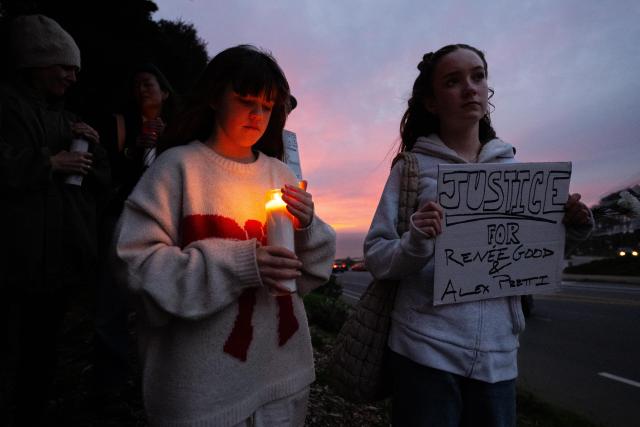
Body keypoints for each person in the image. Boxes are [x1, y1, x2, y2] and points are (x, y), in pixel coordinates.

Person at [363, 44, 593, 427]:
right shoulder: (412, 170)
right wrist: (416, 241)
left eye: (478, 76)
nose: (470, 88)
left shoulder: (514, 170)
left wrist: (572, 225)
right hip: (424, 351)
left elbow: (526, 252)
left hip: (499, 357)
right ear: (432, 102)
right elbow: (376, 256)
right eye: (453, 81)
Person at [113, 45, 336, 426]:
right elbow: (134, 267)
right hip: (199, 390)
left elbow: (311, 273)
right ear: (215, 97)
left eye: (267, 106)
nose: (257, 115)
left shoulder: (280, 175)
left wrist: (311, 225)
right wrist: (241, 264)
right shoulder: (177, 169)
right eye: (246, 100)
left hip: (281, 379)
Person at [0, 14, 110, 425]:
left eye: (76, 70)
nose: (72, 77)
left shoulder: (69, 119)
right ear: (35, 61)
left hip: (57, 263)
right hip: (13, 258)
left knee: (43, 353)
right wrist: (47, 162)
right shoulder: (7, 105)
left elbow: (102, 182)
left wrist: (94, 149)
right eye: (65, 67)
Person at [91, 63, 178, 404]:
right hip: (121, 217)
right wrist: (134, 148)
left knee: (156, 301)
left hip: (165, 223)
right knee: (110, 300)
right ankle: (108, 386)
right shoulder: (119, 124)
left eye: (149, 84)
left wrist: (167, 143)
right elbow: (104, 171)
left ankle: (154, 381)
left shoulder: (180, 130)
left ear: (165, 92)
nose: (142, 90)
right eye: (137, 84)